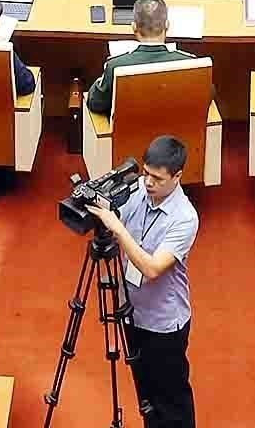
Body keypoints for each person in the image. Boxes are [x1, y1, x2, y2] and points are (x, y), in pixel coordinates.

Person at [82, 134, 200, 428]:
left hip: (163, 324)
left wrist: (117, 228)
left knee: (170, 402)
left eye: (157, 178)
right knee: (146, 397)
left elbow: (151, 268)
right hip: (131, 313)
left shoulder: (185, 218)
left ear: (177, 176)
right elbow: (115, 210)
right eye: (146, 174)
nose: (148, 183)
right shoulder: (139, 190)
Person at [86, 0, 201, 117]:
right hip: (176, 135)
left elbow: (96, 103)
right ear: (167, 25)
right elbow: (207, 95)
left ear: (134, 27)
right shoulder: (191, 64)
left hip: (130, 135)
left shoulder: (115, 66)